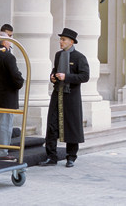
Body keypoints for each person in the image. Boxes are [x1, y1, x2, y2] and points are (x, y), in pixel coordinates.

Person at [38, 28, 90, 168]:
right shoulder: (58, 55)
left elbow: (85, 76)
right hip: (57, 94)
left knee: (71, 125)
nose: (60, 42)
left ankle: (71, 157)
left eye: (63, 39)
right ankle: (51, 156)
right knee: (52, 125)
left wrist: (66, 77)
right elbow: (55, 70)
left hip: (71, 97)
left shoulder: (79, 57)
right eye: (60, 39)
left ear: (71, 42)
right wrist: (53, 76)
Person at [0, 31, 24, 161]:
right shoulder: (7, 57)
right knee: (4, 126)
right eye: (9, 38)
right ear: (4, 41)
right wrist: (20, 81)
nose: (11, 40)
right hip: (6, 99)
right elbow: (16, 78)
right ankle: (1, 152)